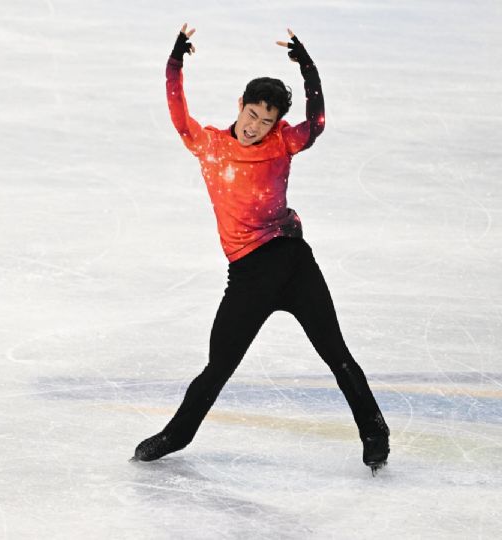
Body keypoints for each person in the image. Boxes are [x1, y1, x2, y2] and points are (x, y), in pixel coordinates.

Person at [133, 24, 390, 475]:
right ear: (240, 105)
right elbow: (178, 112)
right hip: (249, 276)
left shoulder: (282, 145)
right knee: (219, 365)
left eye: (266, 121)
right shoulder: (209, 144)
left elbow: (318, 123)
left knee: (337, 354)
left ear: (276, 124)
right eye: (251, 114)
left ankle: (375, 434)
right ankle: (175, 435)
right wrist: (175, 61)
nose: (254, 127)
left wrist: (308, 69)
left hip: (293, 263)